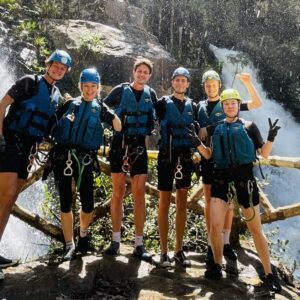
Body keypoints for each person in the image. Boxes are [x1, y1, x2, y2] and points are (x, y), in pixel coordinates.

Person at [0, 49, 72, 281]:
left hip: (29, 151)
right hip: (11, 144)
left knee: (10, 200)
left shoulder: (56, 95)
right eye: (55, 65)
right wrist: (1, 138)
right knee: (4, 195)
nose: (58, 69)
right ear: (48, 64)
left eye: (62, 68)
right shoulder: (29, 82)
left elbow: (50, 126)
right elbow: (2, 105)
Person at [203, 88, 282, 293]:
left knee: (256, 229)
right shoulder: (214, 129)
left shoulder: (249, 126)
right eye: (226, 103)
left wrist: (271, 137)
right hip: (221, 179)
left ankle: (269, 273)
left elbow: (263, 154)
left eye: (233, 103)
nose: (230, 106)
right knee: (215, 226)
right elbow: (209, 154)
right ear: (223, 106)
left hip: (244, 180)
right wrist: (196, 144)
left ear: (238, 105)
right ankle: (217, 266)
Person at [49, 68, 121, 261]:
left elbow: (118, 127)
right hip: (65, 158)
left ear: (98, 88)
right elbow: (51, 123)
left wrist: (110, 113)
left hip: (86, 160)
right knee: (65, 202)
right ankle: (69, 245)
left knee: (88, 204)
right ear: (80, 86)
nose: (89, 90)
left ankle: (83, 234)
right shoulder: (70, 104)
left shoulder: (100, 108)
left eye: (93, 86)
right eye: (86, 86)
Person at [197, 70, 263, 264]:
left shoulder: (229, 103)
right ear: (204, 87)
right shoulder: (198, 106)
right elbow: (195, 131)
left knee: (230, 204)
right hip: (208, 158)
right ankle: (212, 244)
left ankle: (225, 243)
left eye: (214, 84)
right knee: (210, 203)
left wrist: (248, 83)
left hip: (228, 163)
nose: (210, 87)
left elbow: (256, 104)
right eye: (207, 85)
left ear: (219, 85)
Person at [103, 57, 157, 261]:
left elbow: (157, 116)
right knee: (117, 192)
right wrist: (113, 119)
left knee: (139, 195)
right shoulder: (120, 90)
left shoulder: (150, 94)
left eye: (146, 72)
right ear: (134, 72)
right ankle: (115, 241)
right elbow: (102, 108)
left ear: (149, 75)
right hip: (119, 145)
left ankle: (139, 244)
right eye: (139, 71)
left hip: (139, 148)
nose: (142, 74)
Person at [156, 67, 211, 267]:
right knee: (163, 203)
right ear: (172, 82)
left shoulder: (193, 106)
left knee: (181, 204)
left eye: (183, 80)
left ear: (188, 84)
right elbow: (147, 118)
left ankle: (178, 250)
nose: (180, 83)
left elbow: (202, 131)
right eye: (177, 80)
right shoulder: (162, 104)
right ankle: (163, 252)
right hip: (166, 158)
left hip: (186, 159)